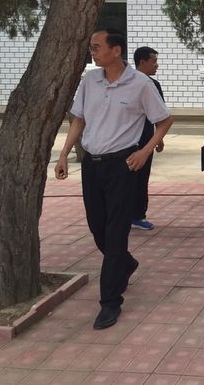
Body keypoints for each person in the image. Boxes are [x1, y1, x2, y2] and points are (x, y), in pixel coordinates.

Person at [54, 29, 173, 330]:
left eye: (97, 47)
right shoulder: (90, 80)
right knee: (97, 226)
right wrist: (64, 153)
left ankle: (110, 301)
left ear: (116, 50)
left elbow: (164, 120)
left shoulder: (141, 84)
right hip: (92, 165)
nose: (92, 52)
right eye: (91, 47)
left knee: (116, 231)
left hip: (123, 166)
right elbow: (79, 119)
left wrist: (145, 151)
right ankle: (126, 263)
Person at [132, 46, 165, 230]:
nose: (156, 65)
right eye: (154, 61)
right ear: (142, 62)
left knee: (142, 177)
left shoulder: (154, 85)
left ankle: (138, 215)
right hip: (126, 139)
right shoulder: (126, 83)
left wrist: (158, 138)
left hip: (146, 139)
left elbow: (161, 116)